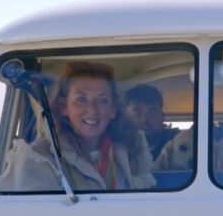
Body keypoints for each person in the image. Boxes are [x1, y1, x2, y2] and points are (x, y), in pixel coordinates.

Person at [48, 62, 155, 190]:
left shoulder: (134, 150)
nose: (92, 110)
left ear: (113, 109)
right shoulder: (41, 159)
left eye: (102, 100)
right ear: (63, 106)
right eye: (81, 99)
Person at [125, 84, 180, 160]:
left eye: (153, 111)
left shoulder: (178, 143)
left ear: (163, 116)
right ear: (125, 118)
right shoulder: (115, 148)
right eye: (137, 112)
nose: (144, 119)